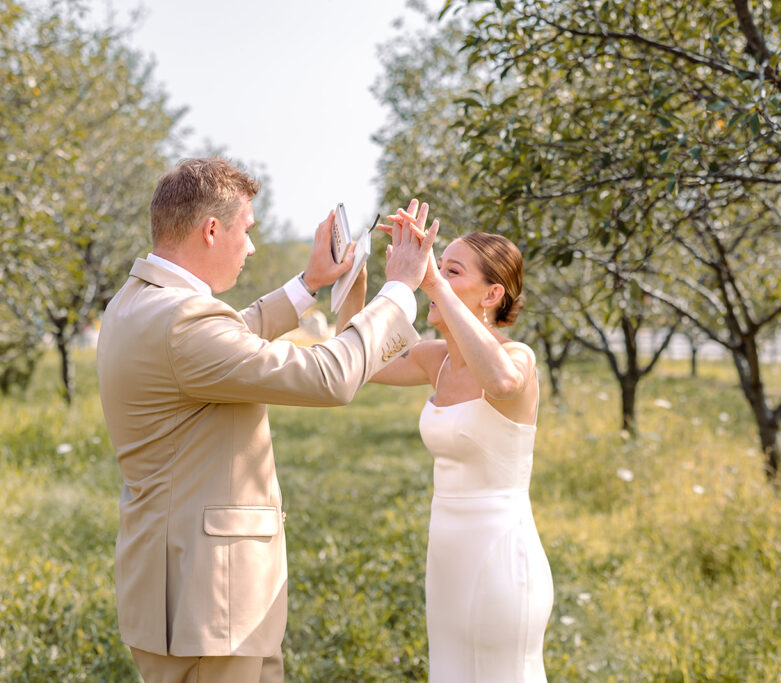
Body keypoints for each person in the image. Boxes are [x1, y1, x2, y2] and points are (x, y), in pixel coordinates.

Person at [96, 158, 436, 683]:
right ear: (212, 230)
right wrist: (398, 291)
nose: (252, 248)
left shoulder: (138, 302)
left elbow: (229, 340)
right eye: (247, 232)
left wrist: (309, 284)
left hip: (183, 590)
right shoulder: (183, 322)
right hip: (209, 600)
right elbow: (329, 376)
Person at [361, 200, 554, 681]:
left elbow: (502, 384)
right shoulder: (435, 360)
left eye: (451, 270)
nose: (436, 276)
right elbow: (358, 357)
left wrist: (431, 282)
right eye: (436, 266)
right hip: (447, 553)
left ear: (491, 295)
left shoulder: (518, 358)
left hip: (500, 553)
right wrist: (362, 276)